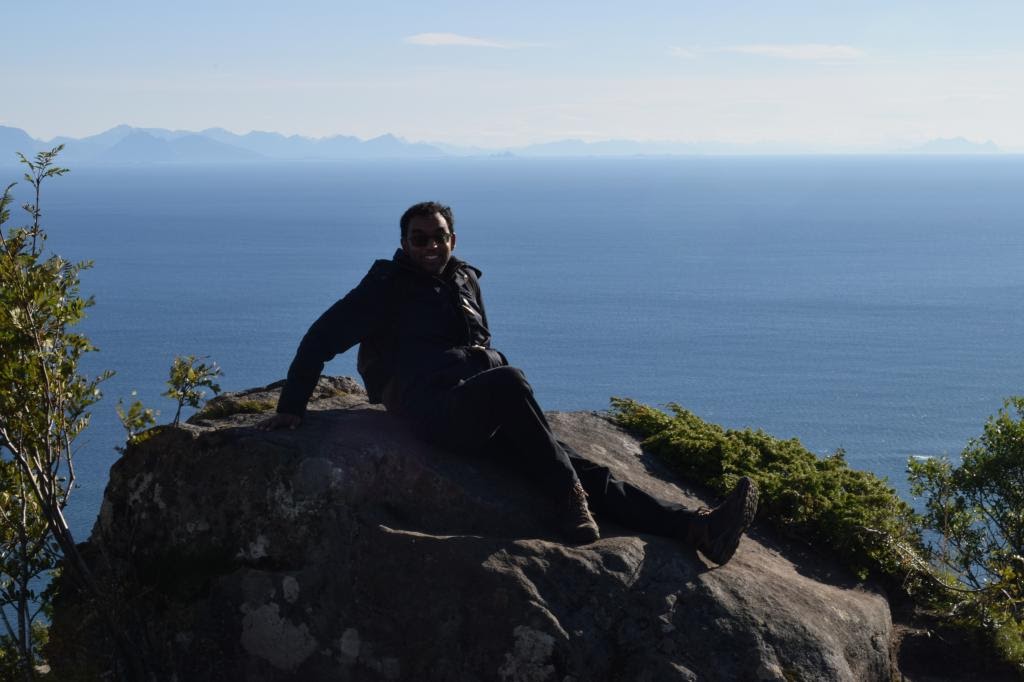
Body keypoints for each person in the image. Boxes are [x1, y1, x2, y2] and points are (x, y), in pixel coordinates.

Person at [258, 201, 757, 564]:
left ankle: (697, 528)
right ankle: (569, 502)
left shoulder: (464, 280)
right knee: (511, 384)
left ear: (453, 239)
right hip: (426, 412)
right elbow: (320, 338)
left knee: (579, 464)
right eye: (419, 238)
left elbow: (477, 344)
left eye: (439, 236)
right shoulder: (384, 288)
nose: (431, 246)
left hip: (475, 409)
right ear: (404, 243)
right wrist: (291, 407)